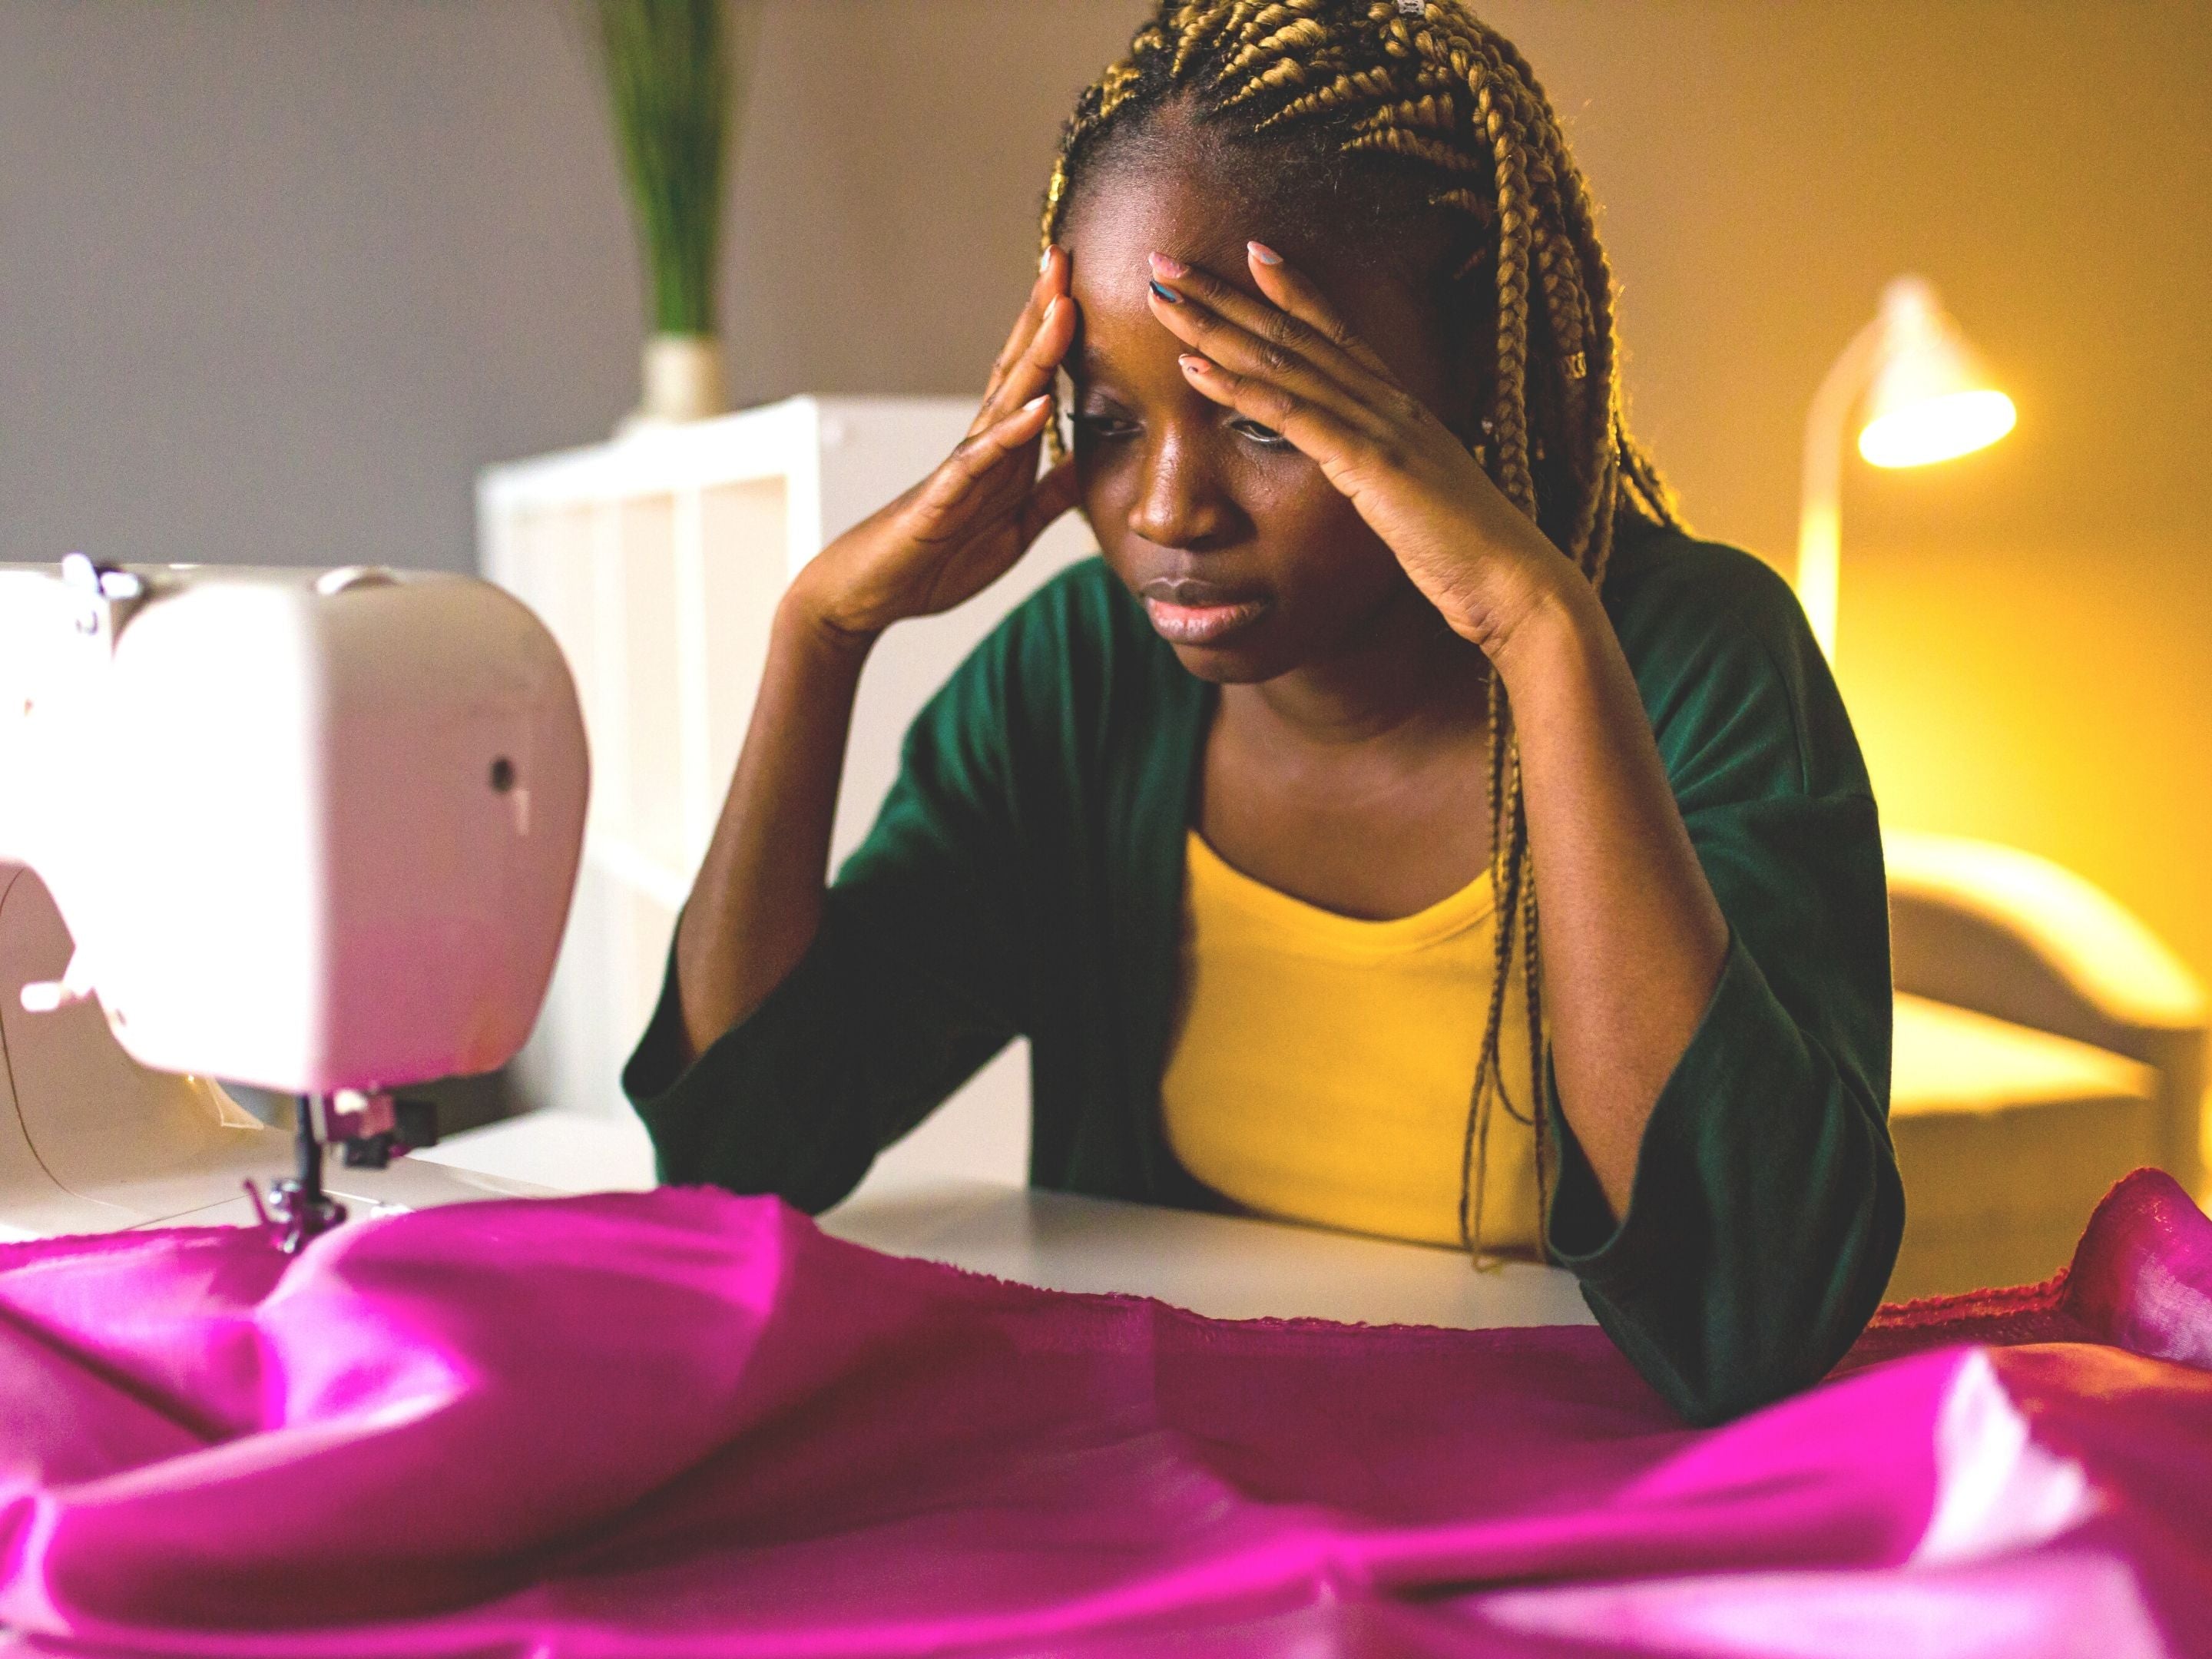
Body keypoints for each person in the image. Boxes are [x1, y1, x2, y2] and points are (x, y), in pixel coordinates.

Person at [623, 0, 1902, 1426]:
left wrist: (1542, 635)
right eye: (1105, 422)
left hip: (1573, 1524)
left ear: (1468, 380)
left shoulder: (1692, 657)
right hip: (1175, 1492)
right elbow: (736, 1160)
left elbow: (1758, 1311)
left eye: (1266, 416)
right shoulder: (1078, 684)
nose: (1168, 508)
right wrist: (820, 633)